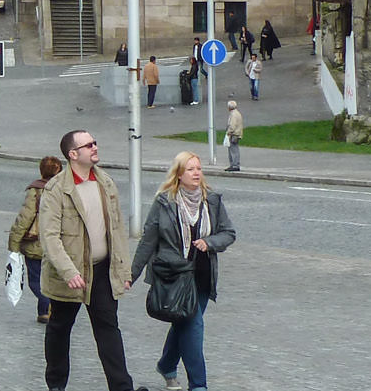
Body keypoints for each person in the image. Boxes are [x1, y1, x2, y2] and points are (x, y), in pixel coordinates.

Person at [130, 151, 235, 391]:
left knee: (183, 323)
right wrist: (130, 276)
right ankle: (199, 385)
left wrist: (210, 242)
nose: (197, 173)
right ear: (178, 174)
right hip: (174, 276)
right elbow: (148, 241)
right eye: (190, 169)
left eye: (198, 168)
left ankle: (167, 364)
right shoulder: (165, 202)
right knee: (192, 325)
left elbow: (229, 233)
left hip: (202, 275)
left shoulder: (213, 201)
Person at [38, 129, 133, 391]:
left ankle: (122, 387)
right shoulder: (56, 189)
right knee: (59, 329)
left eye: (95, 142)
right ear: (73, 154)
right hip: (69, 277)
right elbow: (49, 238)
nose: (95, 147)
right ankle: (56, 385)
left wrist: (124, 270)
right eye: (88, 144)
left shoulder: (105, 182)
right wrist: (69, 272)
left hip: (101, 272)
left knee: (108, 330)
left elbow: (117, 230)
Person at [7, 155, 65, 323]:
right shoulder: (64, 190)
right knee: (51, 278)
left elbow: (25, 217)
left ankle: (48, 305)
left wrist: (14, 242)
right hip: (57, 243)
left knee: (35, 279)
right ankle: (44, 312)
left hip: (35, 243)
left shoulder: (37, 190)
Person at [224, 100, 244, 172]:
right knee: (234, 149)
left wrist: (228, 132)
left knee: (233, 149)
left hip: (234, 134)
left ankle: (234, 165)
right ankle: (234, 164)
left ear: (229, 107)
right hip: (237, 133)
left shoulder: (233, 115)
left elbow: (232, 125)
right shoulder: (237, 113)